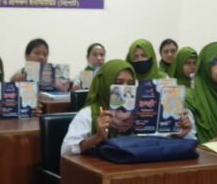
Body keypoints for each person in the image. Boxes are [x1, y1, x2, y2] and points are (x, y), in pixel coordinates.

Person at [60, 60, 193, 155]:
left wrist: (179, 133)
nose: (125, 88)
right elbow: (66, 151)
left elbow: (156, 143)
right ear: (105, 84)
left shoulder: (142, 111)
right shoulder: (89, 114)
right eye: (118, 83)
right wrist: (97, 137)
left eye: (130, 83)